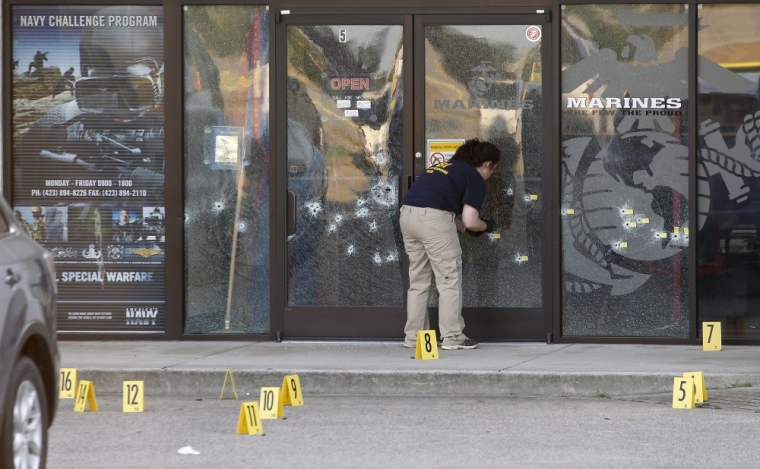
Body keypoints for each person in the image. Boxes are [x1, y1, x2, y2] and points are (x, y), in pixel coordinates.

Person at [399, 139, 500, 350]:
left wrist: (464, 227)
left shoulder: (442, 168)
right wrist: (487, 226)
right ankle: (453, 337)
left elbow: (446, 213)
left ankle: (415, 338)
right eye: (494, 170)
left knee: (418, 282)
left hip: (408, 215)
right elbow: (471, 221)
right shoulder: (474, 177)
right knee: (448, 279)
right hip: (433, 220)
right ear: (488, 164)